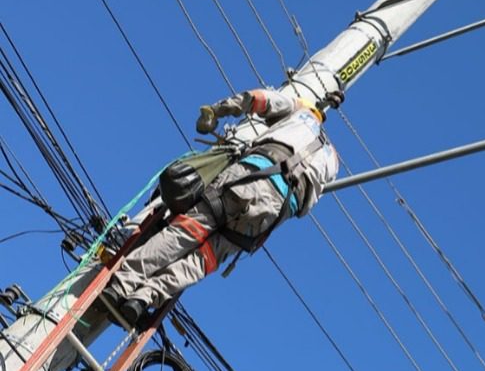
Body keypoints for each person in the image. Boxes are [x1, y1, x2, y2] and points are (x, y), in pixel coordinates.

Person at [104, 89, 339, 325]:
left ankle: (121, 285)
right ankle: (142, 299)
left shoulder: (302, 112)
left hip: (250, 176)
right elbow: (304, 208)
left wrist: (216, 111)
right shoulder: (332, 160)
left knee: (185, 232)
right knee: (201, 261)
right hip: (271, 213)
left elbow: (257, 99)